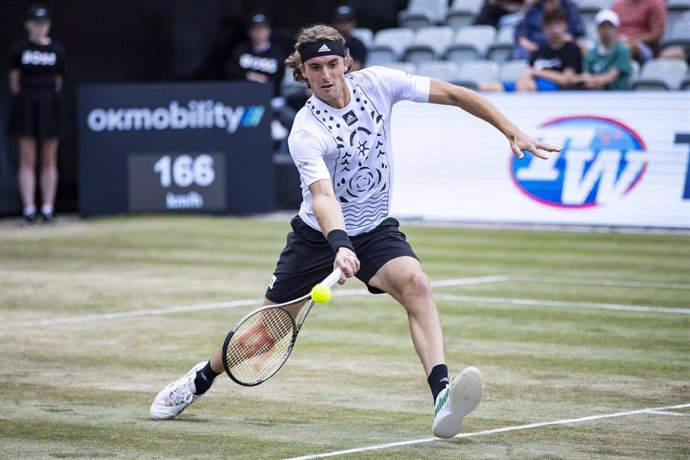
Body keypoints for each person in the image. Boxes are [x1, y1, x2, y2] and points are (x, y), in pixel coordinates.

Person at [150, 24, 559, 438]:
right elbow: (324, 197)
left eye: (332, 64)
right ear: (302, 72)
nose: (326, 75)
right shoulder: (306, 130)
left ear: (347, 62)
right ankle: (199, 378)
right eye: (315, 67)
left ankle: (442, 397)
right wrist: (339, 246)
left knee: (416, 283)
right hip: (317, 239)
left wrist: (509, 128)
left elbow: (456, 94)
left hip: (376, 229)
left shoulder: (380, 83)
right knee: (260, 339)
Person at [8, 4, 65, 224]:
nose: (40, 27)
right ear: (28, 24)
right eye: (36, 23)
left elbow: (59, 81)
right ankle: (29, 209)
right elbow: (14, 81)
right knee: (28, 158)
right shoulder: (19, 50)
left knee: (49, 158)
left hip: (50, 104)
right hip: (26, 104)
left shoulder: (57, 51)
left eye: (44, 23)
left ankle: (48, 208)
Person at [481, 8, 582, 92]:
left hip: (553, 87)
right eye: (550, 26)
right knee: (486, 87)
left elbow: (566, 80)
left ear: (565, 26)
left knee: (525, 87)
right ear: (544, 28)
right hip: (531, 82)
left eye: (558, 25)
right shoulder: (540, 51)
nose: (554, 30)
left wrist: (536, 72)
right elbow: (528, 73)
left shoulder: (572, 49)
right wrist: (527, 76)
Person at [224, 13, 285, 98]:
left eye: (262, 29)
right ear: (249, 32)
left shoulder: (276, 53)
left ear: (269, 30)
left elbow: (280, 76)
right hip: (242, 95)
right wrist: (249, 76)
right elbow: (230, 71)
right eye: (255, 29)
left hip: (269, 97)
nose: (259, 33)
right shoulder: (240, 50)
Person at [575, 9, 632, 91]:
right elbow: (586, 78)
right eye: (603, 27)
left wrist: (580, 78)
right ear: (597, 29)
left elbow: (609, 78)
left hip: (617, 96)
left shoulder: (622, 50)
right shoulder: (591, 52)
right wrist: (590, 81)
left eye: (610, 27)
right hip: (594, 95)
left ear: (616, 29)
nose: (606, 30)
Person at [512, 0, 585, 60]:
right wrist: (523, 41)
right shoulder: (534, 8)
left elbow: (578, 30)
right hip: (535, 46)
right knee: (519, 53)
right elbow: (520, 29)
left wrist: (565, 37)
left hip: (561, 44)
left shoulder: (569, 6)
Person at [332, 5, 367, 71]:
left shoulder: (358, 44)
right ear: (334, 23)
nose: (344, 24)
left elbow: (356, 67)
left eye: (349, 20)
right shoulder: (330, 43)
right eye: (340, 21)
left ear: (354, 23)